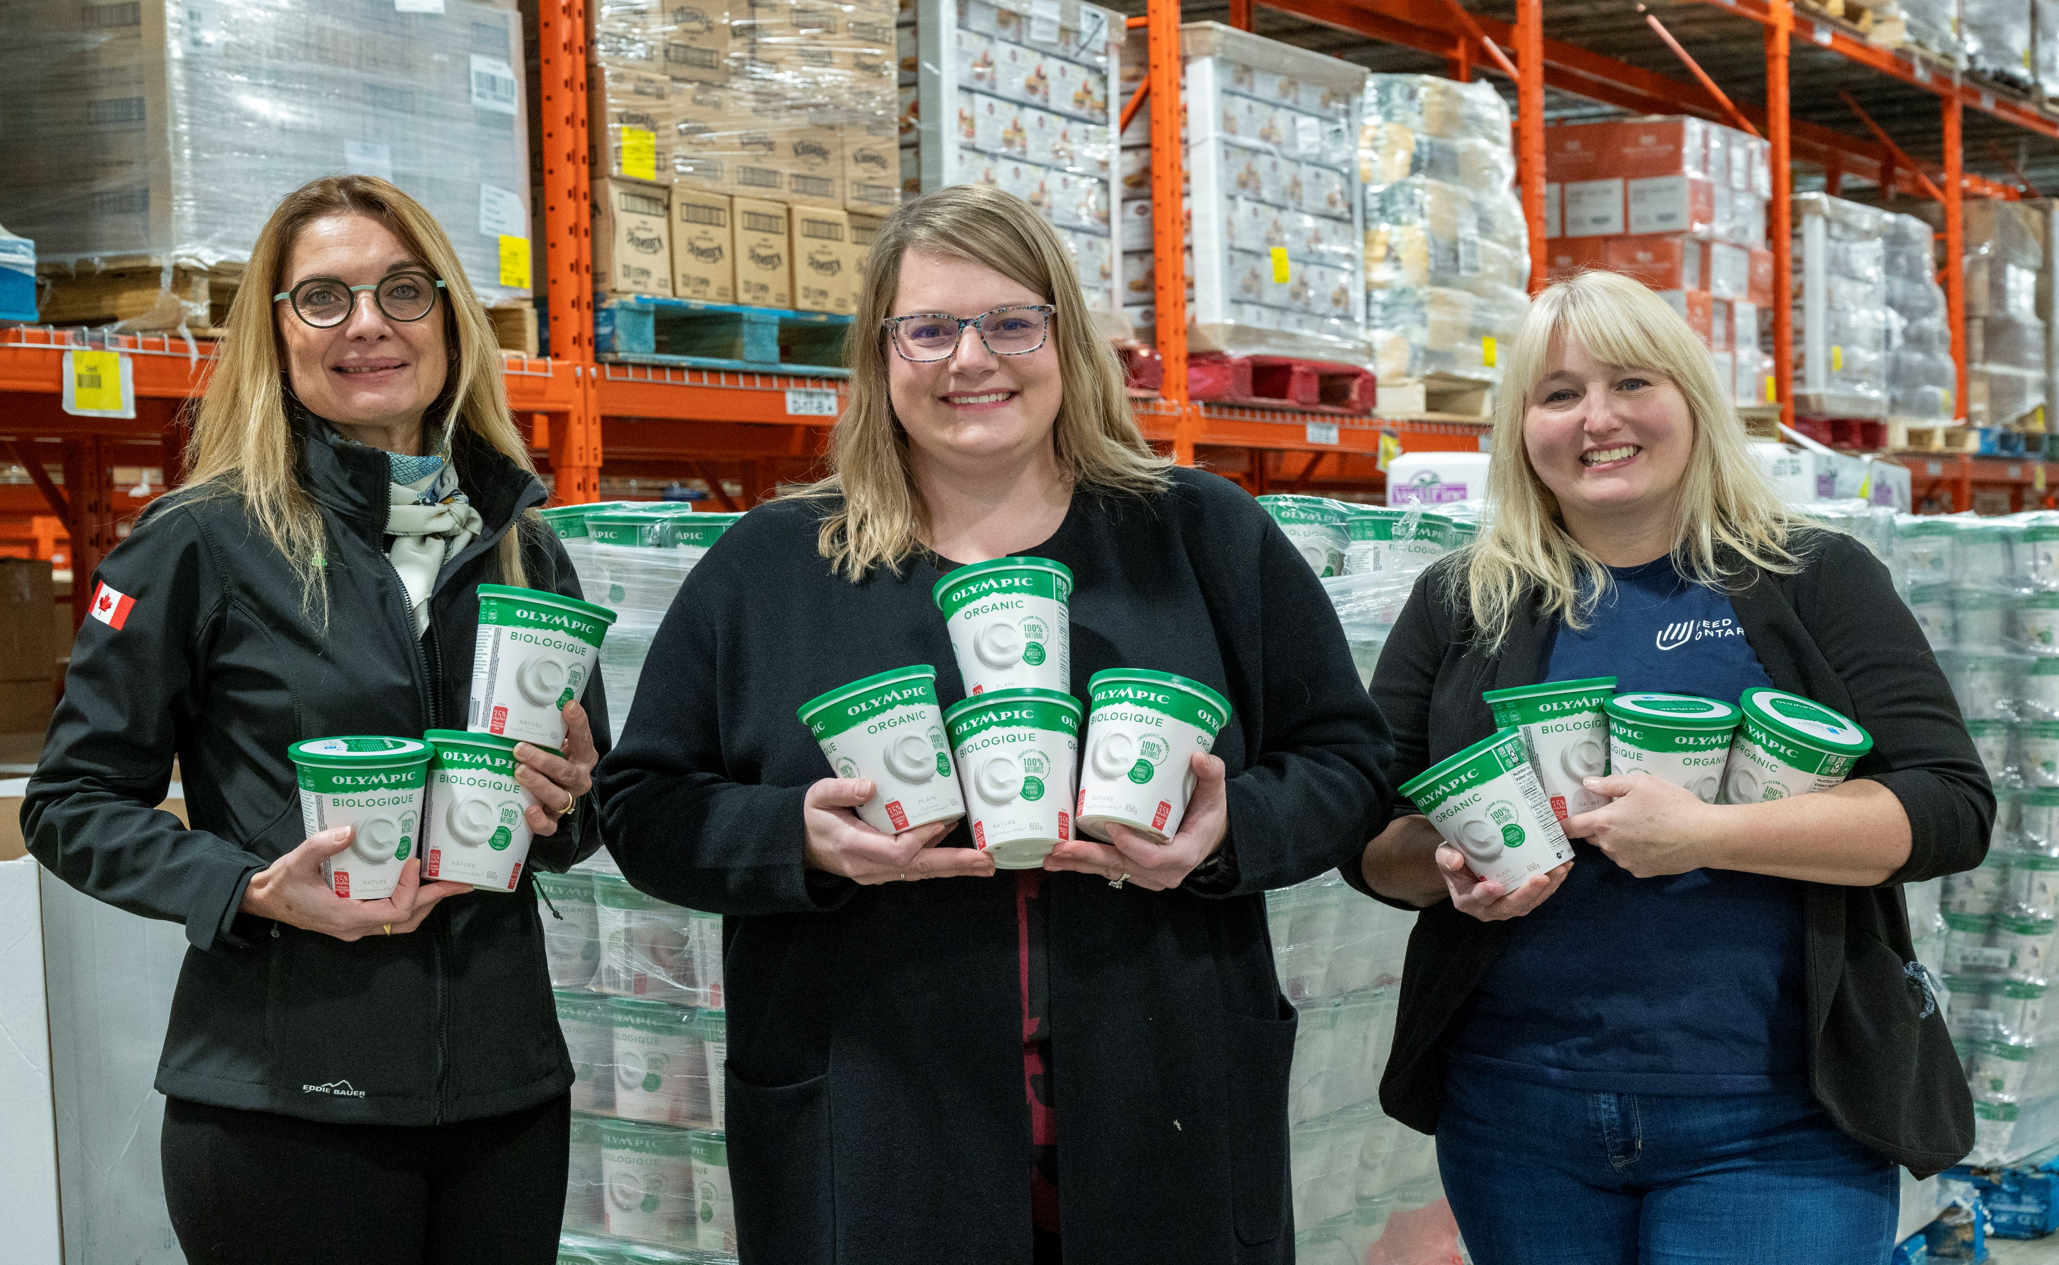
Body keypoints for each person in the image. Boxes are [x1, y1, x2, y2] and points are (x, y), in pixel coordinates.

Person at [594, 183, 1393, 1265]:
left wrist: (1228, 828)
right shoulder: (774, 567)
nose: (973, 359)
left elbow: (1348, 761)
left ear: (1064, 339)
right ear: (882, 358)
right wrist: (800, 840)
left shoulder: (1202, 539)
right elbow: (644, 807)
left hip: (1161, 1119)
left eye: (1012, 322)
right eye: (928, 327)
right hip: (879, 1129)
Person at [21, 175, 608, 1265]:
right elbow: (70, 802)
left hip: (505, 1092)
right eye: (324, 299)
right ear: (276, 332)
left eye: (401, 290)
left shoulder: (525, 539)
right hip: (285, 1105)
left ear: (449, 317)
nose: (370, 324)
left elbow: (574, 816)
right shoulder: (200, 543)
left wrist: (570, 802)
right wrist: (243, 887)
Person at [1350, 269, 1992, 1261]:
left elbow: (1948, 805)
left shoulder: (1808, 577)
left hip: (1777, 1121)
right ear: (1522, 427)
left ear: (1691, 398)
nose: (1595, 418)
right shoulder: (1462, 600)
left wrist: (1708, 835)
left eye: (1630, 382)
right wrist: (1449, 858)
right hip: (1515, 1113)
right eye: (1558, 393)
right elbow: (1367, 832)